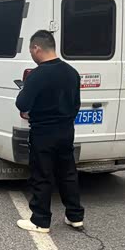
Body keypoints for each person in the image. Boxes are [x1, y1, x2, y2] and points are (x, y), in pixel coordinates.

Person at [15, 30, 85, 233]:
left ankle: (40, 220)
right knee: (68, 173)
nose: (31, 55)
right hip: (66, 130)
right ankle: (75, 216)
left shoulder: (37, 75)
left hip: (43, 132)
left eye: (31, 50)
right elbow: (76, 104)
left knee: (42, 175)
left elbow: (22, 103)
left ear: (37, 48)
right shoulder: (71, 72)